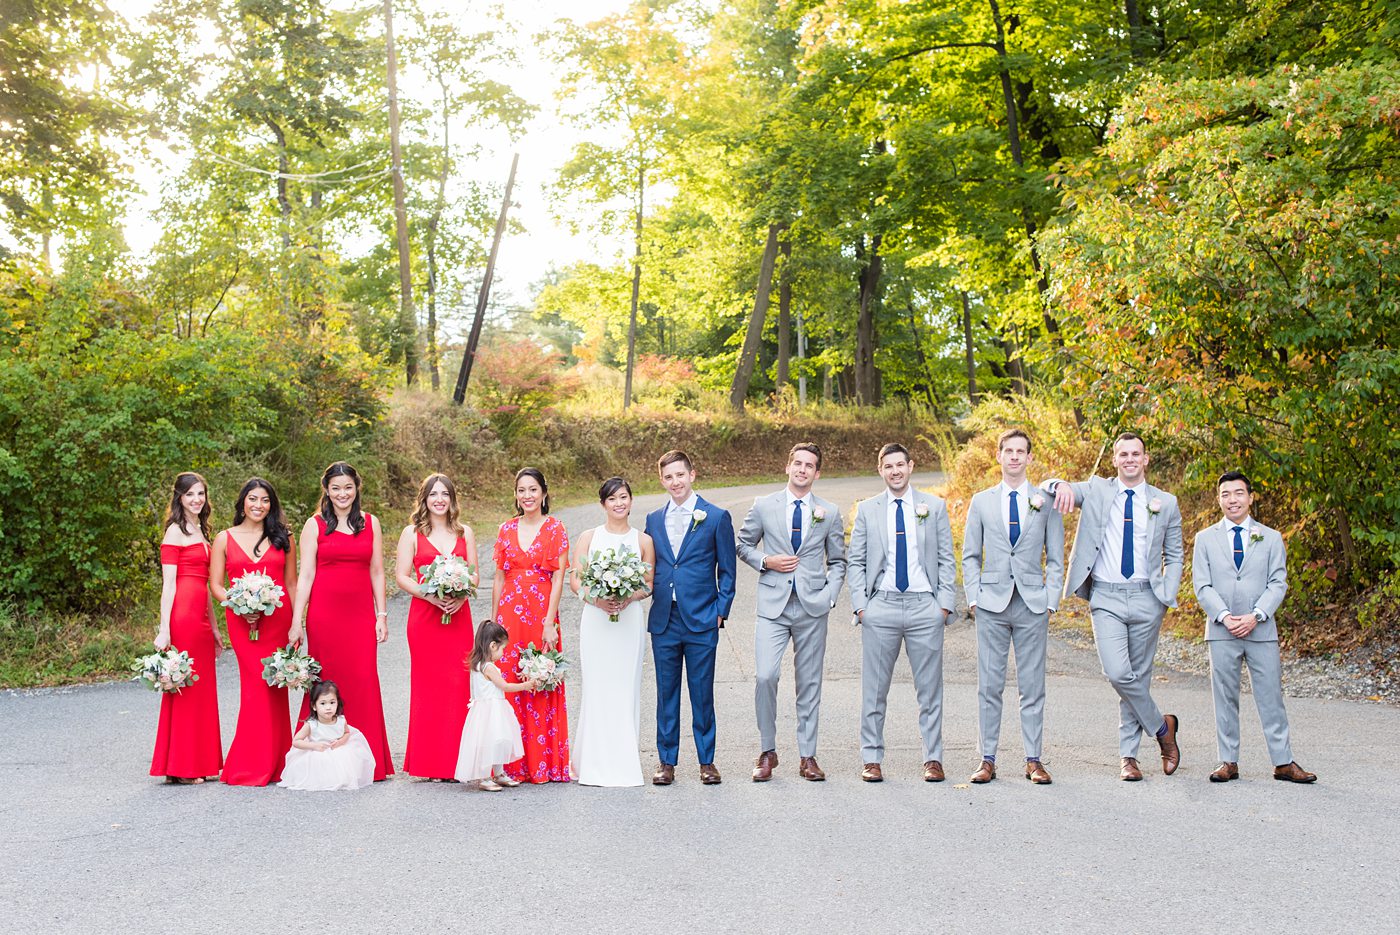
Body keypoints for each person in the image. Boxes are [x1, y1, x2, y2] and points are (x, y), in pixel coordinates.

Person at [1043, 432, 1184, 781]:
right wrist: (1059, 483)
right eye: (1124, 454)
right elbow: (1049, 486)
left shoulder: (1165, 502)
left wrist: (1166, 592)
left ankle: (1128, 757)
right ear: (1115, 460)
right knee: (1118, 673)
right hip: (1105, 596)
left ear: (1146, 459)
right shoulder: (1096, 490)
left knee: (1138, 675)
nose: (1130, 459)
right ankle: (1163, 730)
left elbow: (1176, 554)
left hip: (1147, 597)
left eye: (1136, 454)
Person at [1193, 471, 1316, 784]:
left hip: (1260, 630)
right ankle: (1228, 761)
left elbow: (1278, 582)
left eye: (1238, 493)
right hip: (1221, 630)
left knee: (1271, 695)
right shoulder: (1205, 539)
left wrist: (1256, 615)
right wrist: (1223, 615)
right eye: (1225, 494)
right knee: (1224, 696)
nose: (1232, 499)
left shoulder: (1271, 537)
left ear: (1250, 497)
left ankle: (1283, 762)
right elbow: (1202, 585)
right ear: (1219, 499)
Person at [736, 442, 847, 782]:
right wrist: (765, 561)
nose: (802, 469)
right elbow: (742, 544)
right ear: (787, 467)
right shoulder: (764, 505)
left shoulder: (829, 511)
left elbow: (839, 561)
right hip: (773, 605)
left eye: (809, 465)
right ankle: (768, 751)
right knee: (765, 676)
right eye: (797, 463)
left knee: (809, 683)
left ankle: (807, 755)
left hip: (813, 606)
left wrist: (829, 595)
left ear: (817, 473)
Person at [848, 443, 957, 783]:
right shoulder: (867, 510)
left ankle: (933, 758)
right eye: (888, 466)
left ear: (911, 466)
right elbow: (856, 560)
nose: (894, 471)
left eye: (900, 465)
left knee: (929, 689)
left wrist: (943, 605)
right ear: (880, 470)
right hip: (882, 606)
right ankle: (872, 758)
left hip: (925, 606)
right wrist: (862, 606)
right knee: (875, 689)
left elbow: (946, 558)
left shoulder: (933, 507)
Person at [961, 430, 1064, 785]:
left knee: (1032, 684)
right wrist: (974, 596)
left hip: (1033, 603)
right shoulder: (982, 501)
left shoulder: (1045, 500)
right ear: (999, 456)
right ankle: (987, 759)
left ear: (1030, 458)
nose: (1015, 457)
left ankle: (1033, 759)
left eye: (1022, 451)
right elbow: (970, 555)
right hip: (991, 602)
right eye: (1009, 451)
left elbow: (1055, 557)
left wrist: (1051, 599)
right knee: (989, 684)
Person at [290, 462, 394, 781]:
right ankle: (321, 756)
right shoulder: (315, 525)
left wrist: (381, 615)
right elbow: (305, 575)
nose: (342, 494)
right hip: (324, 615)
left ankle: (368, 759)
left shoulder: (371, 523)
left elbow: (377, 571)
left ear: (356, 488)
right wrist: (297, 621)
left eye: (348, 487)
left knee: (363, 679)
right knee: (326, 682)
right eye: (336, 488)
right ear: (327, 490)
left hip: (361, 615)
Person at [644, 450, 737, 786]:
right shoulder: (653, 520)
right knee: (666, 692)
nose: (675, 482)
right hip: (664, 620)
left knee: (701, 692)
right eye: (668, 477)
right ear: (662, 481)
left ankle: (706, 761)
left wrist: (720, 612)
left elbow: (727, 570)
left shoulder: (714, 517)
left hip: (701, 619)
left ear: (692, 475)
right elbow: (651, 566)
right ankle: (666, 761)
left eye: (680, 475)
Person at [209, 478, 296, 786]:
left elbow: (291, 583)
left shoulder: (283, 537)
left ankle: (279, 763)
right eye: (253, 499)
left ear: (272, 505)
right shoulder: (224, 538)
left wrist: (297, 623)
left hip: (277, 620)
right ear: (242, 502)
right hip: (241, 621)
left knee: (275, 687)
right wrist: (238, 605)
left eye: (265, 500)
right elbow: (216, 585)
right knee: (255, 686)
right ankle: (251, 763)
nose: (259, 505)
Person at [569, 477, 654, 787]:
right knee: (597, 686)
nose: (619, 503)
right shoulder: (589, 537)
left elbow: (648, 584)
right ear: (603, 504)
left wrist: (626, 596)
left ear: (631, 500)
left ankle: (624, 762)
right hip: (596, 620)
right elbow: (576, 581)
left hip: (628, 621)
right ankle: (593, 762)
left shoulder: (643, 540)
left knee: (625, 686)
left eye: (624, 497)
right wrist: (598, 599)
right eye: (612, 499)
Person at [394, 473, 477, 781]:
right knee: (428, 687)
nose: (439, 499)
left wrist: (461, 594)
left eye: (445, 494)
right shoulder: (412, 533)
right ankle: (428, 763)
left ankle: (457, 761)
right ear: (425, 499)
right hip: (424, 618)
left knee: (458, 685)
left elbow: (475, 576)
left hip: (458, 615)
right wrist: (429, 594)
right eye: (433, 494)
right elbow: (402, 576)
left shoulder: (464, 532)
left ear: (452, 499)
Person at [491, 467, 571, 783]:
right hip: (509, 616)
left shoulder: (555, 528)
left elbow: (559, 576)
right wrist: (492, 624)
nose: (527, 496)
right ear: (516, 495)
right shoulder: (506, 529)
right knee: (509, 680)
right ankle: (510, 765)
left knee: (539, 680)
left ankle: (543, 763)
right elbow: (498, 578)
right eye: (522, 490)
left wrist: (549, 622)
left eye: (533, 489)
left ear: (544, 493)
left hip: (540, 614)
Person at [150, 471, 225, 784]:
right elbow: (168, 585)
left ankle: (201, 762)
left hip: (202, 618)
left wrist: (217, 628)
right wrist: (164, 628)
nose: (196, 500)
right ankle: (181, 767)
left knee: (202, 690)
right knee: (185, 688)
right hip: (182, 615)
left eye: (201, 494)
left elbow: (207, 586)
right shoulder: (174, 533)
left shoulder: (201, 531)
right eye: (190, 494)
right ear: (179, 498)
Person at [455, 621, 540, 791]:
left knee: (496, 741)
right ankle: (485, 776)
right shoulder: (489, 667)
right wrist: (526, 685)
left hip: (486, 710)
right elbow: (505, 687)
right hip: (492, 710)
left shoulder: (477, 664)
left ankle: (498, 773)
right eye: (503, 649)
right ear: (493, 646)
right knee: (492, 741)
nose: (503, 653)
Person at [279, 681, 376, 791]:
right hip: (317, 750)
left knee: (343, 760)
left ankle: (340, 779)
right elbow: (296, 741)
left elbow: (347, 733)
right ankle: (319, 780)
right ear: (314, 706)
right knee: (319, 762)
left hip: (337, 749)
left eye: (332, 702)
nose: (328, 707)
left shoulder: (340, 720)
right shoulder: (311, 725)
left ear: (337, 703)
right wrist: (313, 746)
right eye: (323, 703)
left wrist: (341, 742)